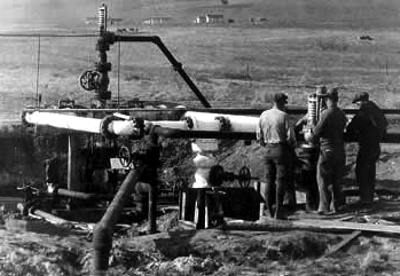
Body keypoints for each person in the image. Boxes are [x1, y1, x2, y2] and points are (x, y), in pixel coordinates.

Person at [257, 92, 297, 219]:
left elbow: (259, 136)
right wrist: (293, 148)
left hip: (267, 150)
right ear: (282, 103)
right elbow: (291, 138)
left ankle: (269, 210)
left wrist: (265, 144)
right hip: (280, 150)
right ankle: (279, 212)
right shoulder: (284, 116)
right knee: (281, 181)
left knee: (269, 180)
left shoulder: (263, 115)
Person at [309, 88, 347, 214]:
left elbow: (316, 133)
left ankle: (324, 207)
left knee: (323, 179)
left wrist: (312, 125)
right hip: (339, 150)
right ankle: (337, 206)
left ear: (328, 99)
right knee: (337, 179)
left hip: (327, 149)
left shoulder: (326, 114)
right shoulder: (341, 113)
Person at [346, 92, 388, 206]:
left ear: (361, 101)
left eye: (357, 103)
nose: (357, 105)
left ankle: (365, 199)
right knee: (370, 172)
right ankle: (369, 197)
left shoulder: (363, 111)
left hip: (366, 147)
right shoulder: (375, 108)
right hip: (375, 146)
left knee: (361, 171)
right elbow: (385, 123)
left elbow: (351, 127)